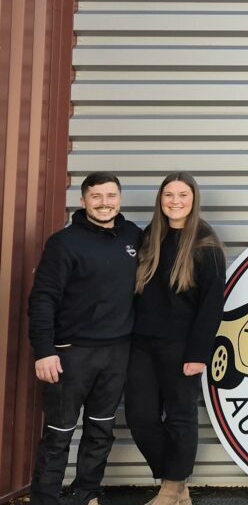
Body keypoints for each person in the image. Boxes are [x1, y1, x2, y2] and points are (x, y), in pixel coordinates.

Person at [28, 173, 143, 505]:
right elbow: (43, 298)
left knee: (100, 431)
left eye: (111, 196)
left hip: (117, 352)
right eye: (96, 196)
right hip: (71, 354)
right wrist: (44, 350)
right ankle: (45, 499)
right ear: (83, 201)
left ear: (119, 198)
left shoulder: (134, 236)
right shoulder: (63, 243)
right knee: (59, 434)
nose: (104, 203)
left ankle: (85, 494)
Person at [125, 173, 226, 505]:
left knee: (181, 418)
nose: (175, 201)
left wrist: (198, 354)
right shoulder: (149, 237)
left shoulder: (206, 244)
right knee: (140, 418)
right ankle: (178, 485)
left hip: (182, 347)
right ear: (160, 199)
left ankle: (170, 489)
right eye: (169, 194)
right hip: (142, 344)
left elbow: (212, 305)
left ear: (194, 199)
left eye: (183, 194)